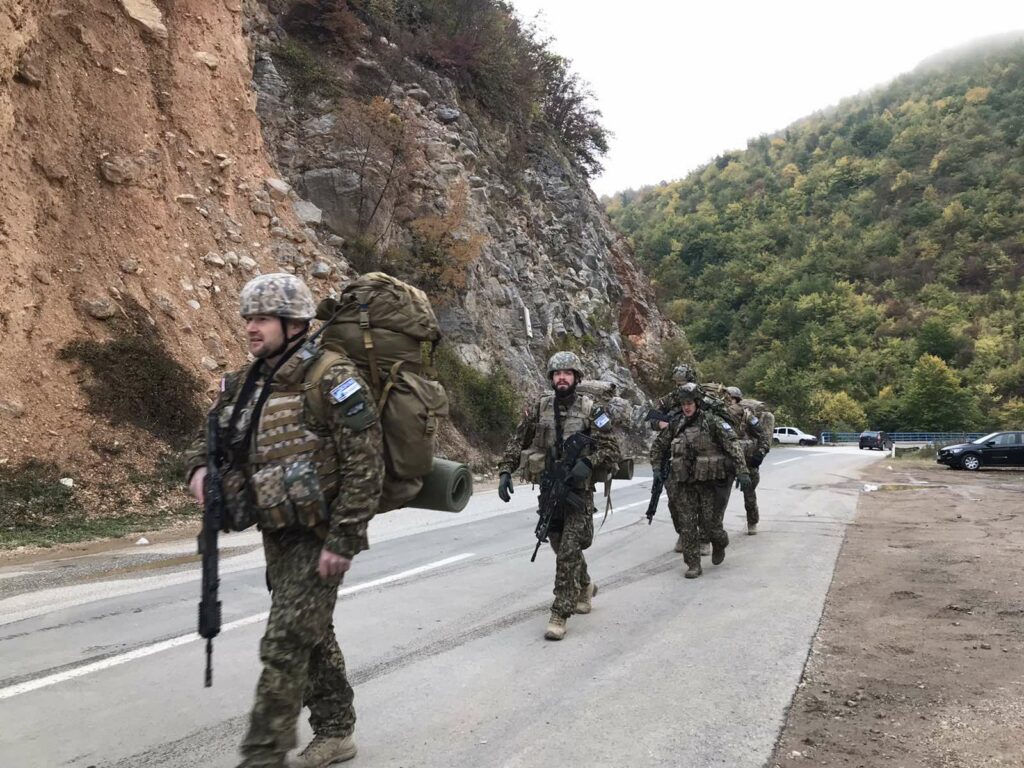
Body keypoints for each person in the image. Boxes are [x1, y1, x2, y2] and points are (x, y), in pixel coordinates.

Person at [185, 273, 384, 768]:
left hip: (320, 533)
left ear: (295, 324)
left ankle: (262, 755)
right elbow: (207, 437)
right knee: (310, 634)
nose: (251, 327)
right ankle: (336, 731)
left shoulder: (333, 379)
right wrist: (199, 469)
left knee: (285, 642)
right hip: (276, 531)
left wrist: (343, 539)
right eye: (248, 318)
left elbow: (366, 465)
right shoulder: (246, 382)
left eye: (262, 318)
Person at [497, 351, 620, 640]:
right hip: (550, 489)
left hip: (578, 492)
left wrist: (588, 462)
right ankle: (585, 585)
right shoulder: (540, 407)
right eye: (557, 374)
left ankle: (559, 613)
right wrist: (505, 470)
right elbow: (518, 440)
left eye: (567, 373)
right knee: (557, 543)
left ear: (576, 377)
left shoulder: (592, 409)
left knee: (567, 551)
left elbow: (612, 449)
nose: (562, 378)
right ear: (551, 378)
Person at [650, 383, 750, 578]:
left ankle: (720, 543)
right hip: (684, 482)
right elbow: (658, 446)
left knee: (711, 526)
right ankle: (693, 564)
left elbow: (732, 445)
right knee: (687, 524)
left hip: (707, 482)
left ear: (697, 403)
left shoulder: (712, 421)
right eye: (683, 404)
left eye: (689, 403)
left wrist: (742, 470)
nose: (686, 407)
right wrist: (656, 468)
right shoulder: (676, 423)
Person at [724, 386, 771, 535]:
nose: (728, 403)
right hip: (727, 460)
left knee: (749, 494)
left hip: (748, 460)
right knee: (720, 497)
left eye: (730, 399)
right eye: (726, 400)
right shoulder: (721, 416)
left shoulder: (747, 416)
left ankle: (752, 522)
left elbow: (763, 434)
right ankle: (715, 528)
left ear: (737, 400)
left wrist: (760, 453)